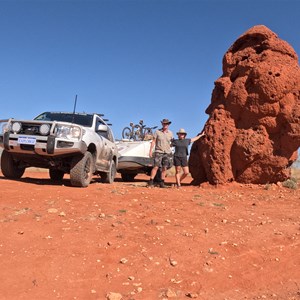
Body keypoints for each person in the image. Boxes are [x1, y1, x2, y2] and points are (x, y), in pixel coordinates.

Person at [148, 118, 173, 188]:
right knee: (156, 167)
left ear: (168, 125)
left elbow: (171, 143)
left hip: (167, 152)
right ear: (162, 124)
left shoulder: (170, 133)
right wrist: (150, 151)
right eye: (164, 123)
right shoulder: (157, 132)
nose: (165, 125)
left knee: (164, 168)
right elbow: (153, 141)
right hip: (158, 151)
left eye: (167, 124)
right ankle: (151, 181)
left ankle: (162, 183)